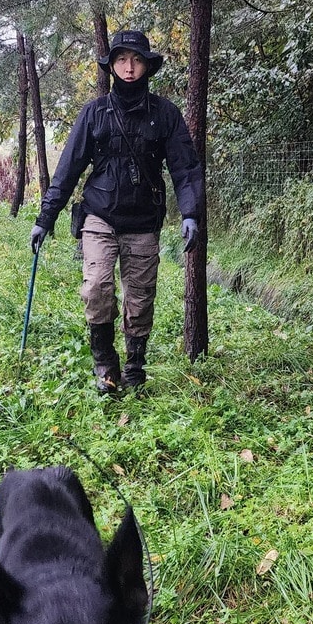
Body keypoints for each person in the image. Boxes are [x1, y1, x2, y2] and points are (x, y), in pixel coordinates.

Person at [31, 30, 205, 394]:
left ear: (147, 66)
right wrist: (45, 218)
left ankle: (135, 367)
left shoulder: (165, 114)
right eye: (122, 59)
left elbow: (185, 167)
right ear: (112, 65)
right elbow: (68, 168)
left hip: (143, 219)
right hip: (99, 215)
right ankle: (105, 366)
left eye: (137, 60)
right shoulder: (94, 113)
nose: (129, 67)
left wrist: (190, 213)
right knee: (96, 287)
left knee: (140, 298)